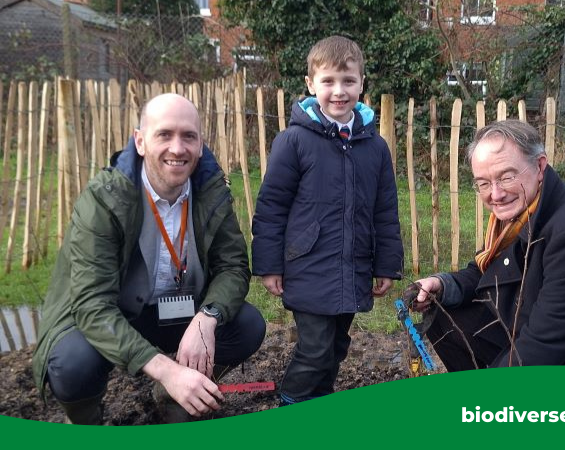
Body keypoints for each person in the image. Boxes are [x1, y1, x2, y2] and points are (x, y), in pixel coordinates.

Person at [32, 93, 266, 424]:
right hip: (118, 313)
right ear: (140, 142)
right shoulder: (104, 200)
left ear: (200, 145)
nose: (177, 148)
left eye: (189, 136)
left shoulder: (211, 191)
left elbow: (233, 267)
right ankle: (85, 419)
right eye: (164, 135)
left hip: (182, 310)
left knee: (247, 325)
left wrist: (207, 317)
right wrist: (165, 369)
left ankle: (179, 394)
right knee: (72, 363)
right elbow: (91, 305)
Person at [407, 119, 565, 373]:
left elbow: (543, 345)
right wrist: (444, 285)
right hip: (547, 344)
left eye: (506, 177)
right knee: (446, 313)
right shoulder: (523, 211)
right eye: (483, 183)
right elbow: (489, 271)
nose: (495, 194)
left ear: (539, 166)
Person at [252, 36, 404, 406]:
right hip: (307, 264)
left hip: (353, 266)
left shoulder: (375, 146)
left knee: (336, 347)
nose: (339, 91)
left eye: (348, 81)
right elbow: (272, 205)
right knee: (316, 349)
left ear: (362, 83)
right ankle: (290, 404)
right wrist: (270, 265)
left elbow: (385, 211)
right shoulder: (294, 141)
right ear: (310, 85)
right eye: (329, 81)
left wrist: (386, 264)